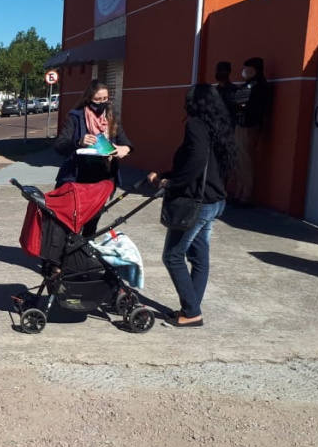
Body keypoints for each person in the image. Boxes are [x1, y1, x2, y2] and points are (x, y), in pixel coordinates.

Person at [147, 84, 237, 328]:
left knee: (173, 255)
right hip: (215, 201)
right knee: (198, 256)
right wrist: (168, 174)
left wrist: (171, 182)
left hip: (197, 202)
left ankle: (192, 312)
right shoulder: (219, 126)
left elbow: (197, 160)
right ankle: (191, 308)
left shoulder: (196, 125)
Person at [54, 79, 134, 235]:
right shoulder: (76, 117)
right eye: (98, 99)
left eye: (105, 99)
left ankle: (84, 253)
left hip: (102, 179)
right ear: (88, 98)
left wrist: (125, 149)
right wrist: (78, 142)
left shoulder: (111, 117)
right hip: (78, 177)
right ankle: (66, 255)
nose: (102, 103)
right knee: (71, 222)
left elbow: (126, 143)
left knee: (92, 223)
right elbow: (59, 146)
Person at [227, 56, 272, 207]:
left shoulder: (258, 86)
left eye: (248, 69)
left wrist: (242, 105)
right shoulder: (249, 85)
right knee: (239, 160)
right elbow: (235, 99)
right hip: (241, 125)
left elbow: (239, 100)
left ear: (254, 70)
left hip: (249, 126)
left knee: (246, 160)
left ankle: (246, 196)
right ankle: (239, 193)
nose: (245, 71)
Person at [213, 60, 238, 125]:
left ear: (228, 73)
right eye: (218, 70)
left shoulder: (233, 89)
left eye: (222, 71)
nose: (219, 73)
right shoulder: (215, 90)